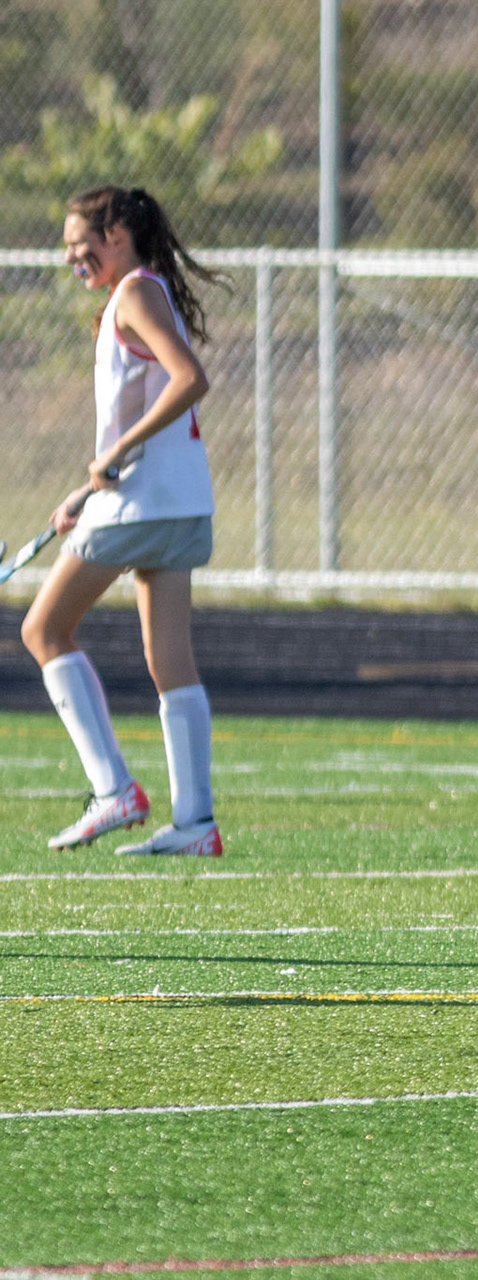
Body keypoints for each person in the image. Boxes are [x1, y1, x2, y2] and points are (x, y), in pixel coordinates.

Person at [22, 186, 223, 856]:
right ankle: (195, 823)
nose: (71, 257)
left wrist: (112, 456)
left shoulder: (135, 293)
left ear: (116, 235)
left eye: (80, 244)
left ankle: (114, 791)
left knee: (44, 629)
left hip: (142, 505)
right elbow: (145, 417)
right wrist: (88, 489)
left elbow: (189, 378)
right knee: (170, 661)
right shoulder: (141, 294)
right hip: (179, 503)